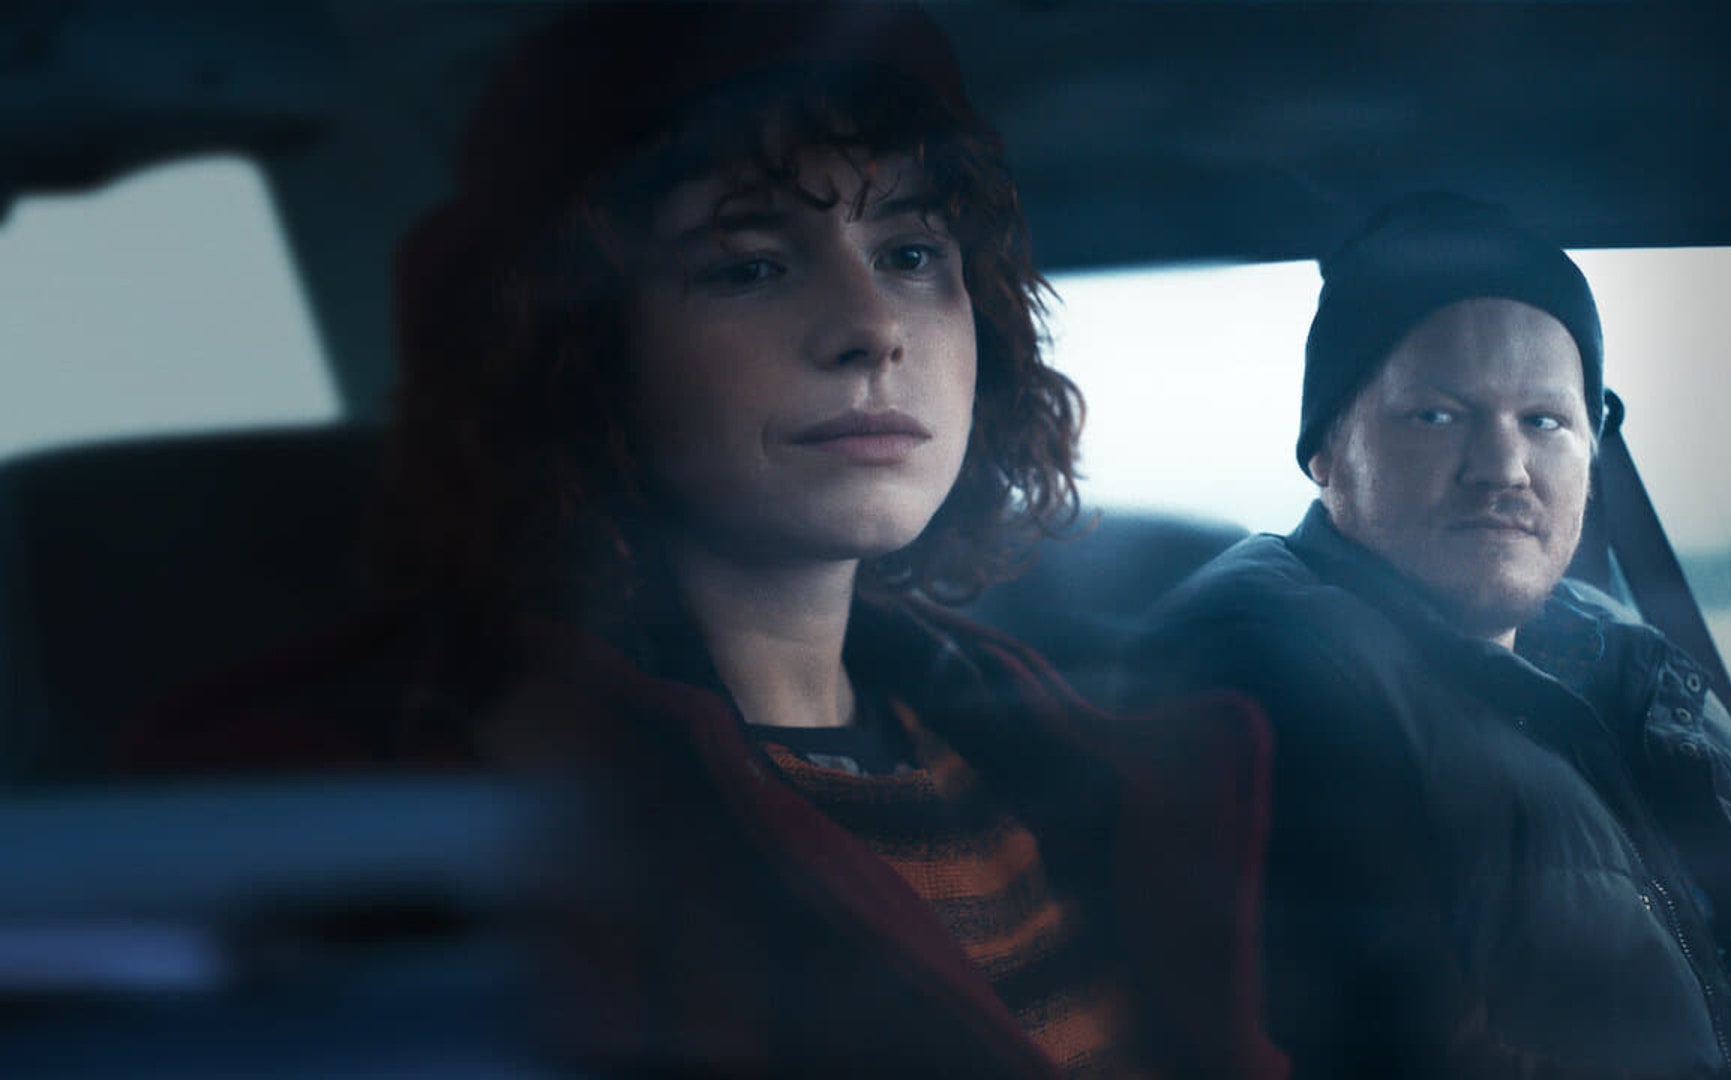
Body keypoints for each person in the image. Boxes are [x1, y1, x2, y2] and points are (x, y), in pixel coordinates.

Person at [120, 4, 1288, 1077]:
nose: (874, 327)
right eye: (751, 265)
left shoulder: (1040, 738)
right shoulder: (421, 816)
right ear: (581, 354)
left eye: (911, 254)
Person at [1124, 194, 1731, 1079]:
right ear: (1327, 451)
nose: (1503, 468)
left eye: (1544, 421)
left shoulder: (1595, 635)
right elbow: (1409, 1054)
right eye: (1437, 416)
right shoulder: (1275, 664)